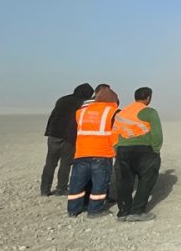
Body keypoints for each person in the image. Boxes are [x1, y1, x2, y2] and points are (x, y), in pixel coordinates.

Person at [113, 86, 164, 223]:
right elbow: (157, 133)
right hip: (144, 150)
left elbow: (115, 132)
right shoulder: (149, 112)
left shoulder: (122, 112)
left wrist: (117, 148)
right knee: (146, 179)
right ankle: (137, 211)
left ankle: (123, 212)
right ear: (148, 98)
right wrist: (155, 149)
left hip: (123, 150)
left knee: (124, 181)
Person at [68, 87, 120, 218]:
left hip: (81, 152)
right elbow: (116, 133)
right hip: (102, 153)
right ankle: (95, 210)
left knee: (77, 183)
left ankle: (73, 209)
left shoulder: (81, 112)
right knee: (100, 184)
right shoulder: (113, 112)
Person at [40, 83, 94, 196]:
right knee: (65, 163)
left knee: (50, 163)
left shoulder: (62, 100)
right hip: (69, 136)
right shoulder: (83, 103)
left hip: (53, 134)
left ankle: (45, 189)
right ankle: (61, 188)